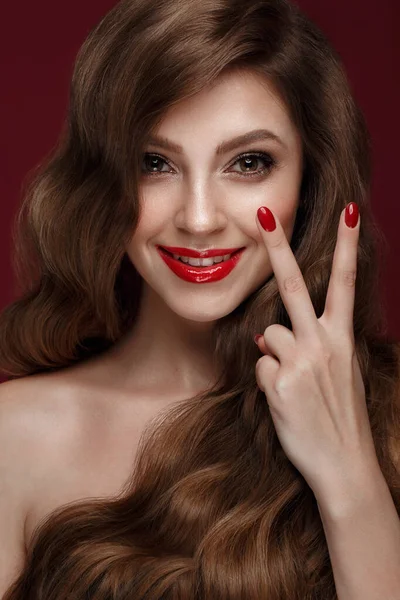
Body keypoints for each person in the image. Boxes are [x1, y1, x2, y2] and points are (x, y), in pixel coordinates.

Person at [1, 0, 399, 597]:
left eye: (248, 163)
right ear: (105, 178)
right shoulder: (16, 435)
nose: (200, 218)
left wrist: (348, 475)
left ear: (310, 180)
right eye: (155, 163)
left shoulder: (389, 417)